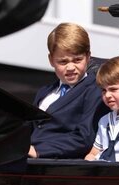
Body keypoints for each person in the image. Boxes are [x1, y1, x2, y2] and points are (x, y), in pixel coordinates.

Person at [28, 22, 108, 159]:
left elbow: (85, 137)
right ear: (51, 60)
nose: (70, 67)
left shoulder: (95, 91)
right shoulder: (44, 92)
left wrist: (39, 151)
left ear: (88, 57)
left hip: (57, 164)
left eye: (77, 60)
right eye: (63, 62)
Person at [84, 56, 119, 162]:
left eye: (113, 89)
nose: (107, 95)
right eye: (104, 90)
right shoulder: (104, 121)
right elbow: (94, 152)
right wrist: (89, 159)